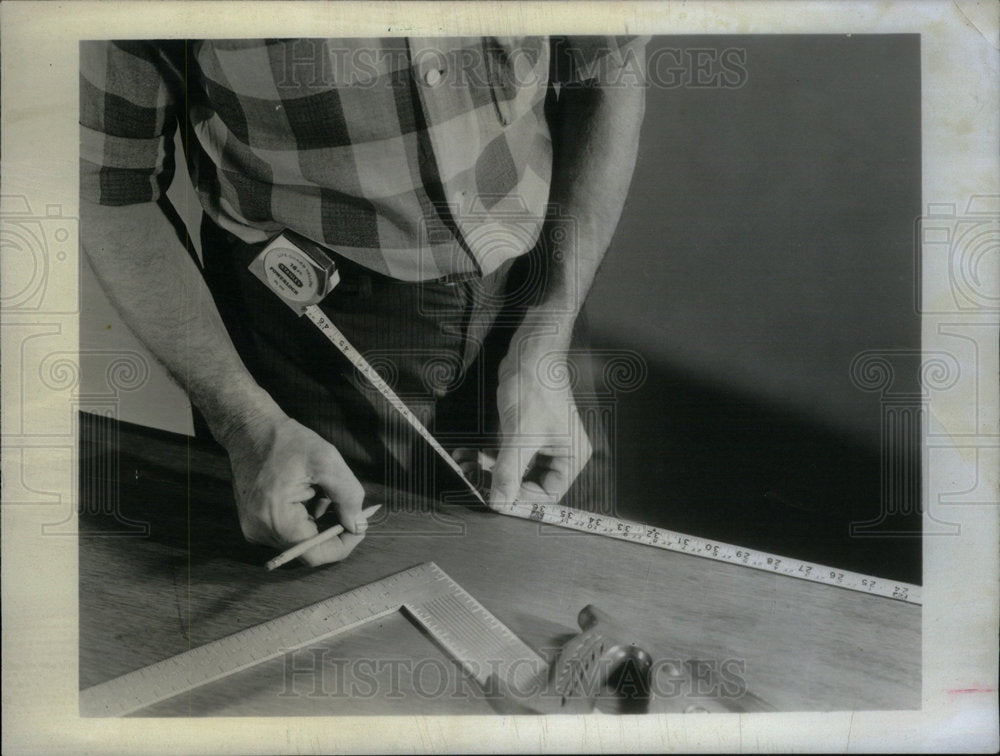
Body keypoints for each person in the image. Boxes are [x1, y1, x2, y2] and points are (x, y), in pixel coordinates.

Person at [80, 36, 647, 566]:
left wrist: (550, 325)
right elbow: (108, 185)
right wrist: (246, 424)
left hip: (539, 298)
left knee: (563, 586)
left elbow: (609, 67)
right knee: (334, 636)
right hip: (304, 351)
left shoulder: (547, 317)